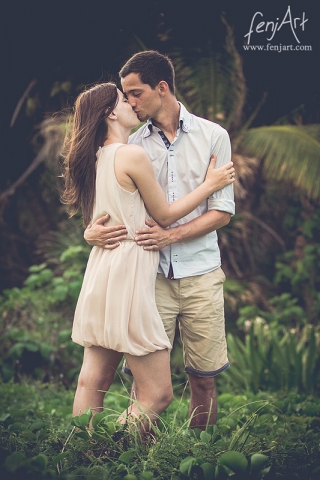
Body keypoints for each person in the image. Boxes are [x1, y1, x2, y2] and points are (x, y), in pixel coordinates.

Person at [62, 82, 235, 431]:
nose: (131, 103)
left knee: (90, 381)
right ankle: (118, 446)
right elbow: (165, 215)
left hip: (102, 268)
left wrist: (88, 233)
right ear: (111, 112)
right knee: (156, 394)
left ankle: (81, 451)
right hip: (131, 269)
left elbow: (100, 217)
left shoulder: (94, 157)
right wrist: (210, 184)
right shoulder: (132, 153)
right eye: (124, 99)